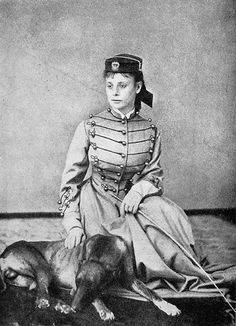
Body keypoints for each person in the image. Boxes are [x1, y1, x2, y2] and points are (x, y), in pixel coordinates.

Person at [58, 54, 235, 295]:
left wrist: (140, 190)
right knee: (115, 255)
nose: (115, 92)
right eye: (110, 86)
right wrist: (73, 225)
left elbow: (154, 174)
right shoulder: (89, 127)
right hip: (96, 204)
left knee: (167, 218)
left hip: (130, 203)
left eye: (123, 85)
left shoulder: (150, 130)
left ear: (138, 87)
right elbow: (70, 183)